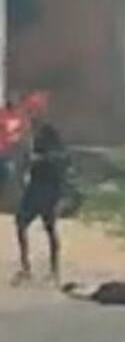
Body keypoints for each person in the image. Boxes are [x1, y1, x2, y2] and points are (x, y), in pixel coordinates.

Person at [12, 122, 68, 285]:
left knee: (41, 227)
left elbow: (55, 166)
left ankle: (39, 268)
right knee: (40, 227)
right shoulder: (42, 147)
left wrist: (37, 160)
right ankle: (42, 268)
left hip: (44, 190)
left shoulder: (52, 151)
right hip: (40, 190)